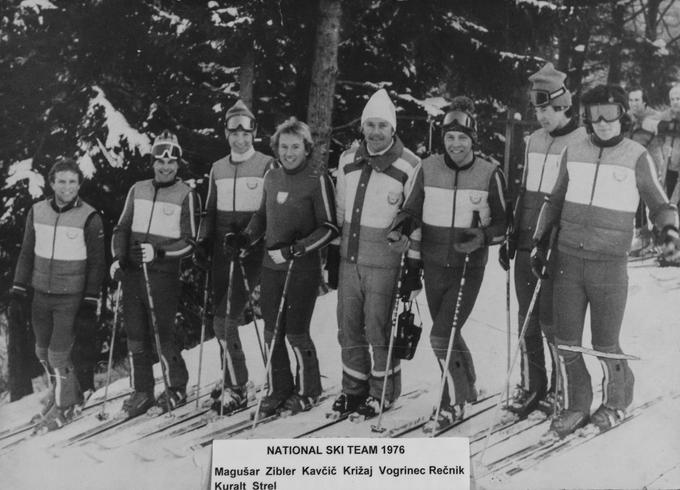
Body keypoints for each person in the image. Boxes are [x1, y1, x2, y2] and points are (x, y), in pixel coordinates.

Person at [531, 84, 678, 437]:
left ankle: (617, 399)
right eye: (595, 115)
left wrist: (670, 231)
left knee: (604, 342)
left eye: (610, 114)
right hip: (568, 258)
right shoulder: (573, 149)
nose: (603, 123)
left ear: (623, 115)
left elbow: (659, 203)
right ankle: (576, 405)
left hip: (609, 263)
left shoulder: (636, 155)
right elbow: (554, 199)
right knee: (566, 340)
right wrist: (539, 241)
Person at [389, 102, 507, 430]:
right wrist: (401, 228)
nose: (456, 144)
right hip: (433, 266)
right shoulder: (427, 168)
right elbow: (410, 211)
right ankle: (467, 387)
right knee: (449, 332)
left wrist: (481, 236)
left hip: (468, 267)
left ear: (474, 139)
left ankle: (452, 403)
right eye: (450, 137)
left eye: (462, 137)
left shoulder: (488, 173)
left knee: (442, 334)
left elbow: (503, 224)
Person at [222, 117, 339, 417]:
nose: (289, 153)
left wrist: (296, 249)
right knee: (272, 332)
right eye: (284, 146)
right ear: (276, 147)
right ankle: (278, 388)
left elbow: (329, 228)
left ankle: (309, 389)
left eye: (295, 147)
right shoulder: (272, 177)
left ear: (306, 148)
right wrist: (246, 237)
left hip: (301, 268)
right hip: (271, 266)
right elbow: (263, 216)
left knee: (296, 333)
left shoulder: (317, 178)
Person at [498, 63, 586, 418]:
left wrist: (555, 238)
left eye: (548, 109)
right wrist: (512, 233)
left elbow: (574, 199)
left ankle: (560, 386)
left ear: (564, 106)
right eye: (538, 109)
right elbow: (523, 192)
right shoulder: (533, 139)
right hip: (524, 242)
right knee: (527, 317)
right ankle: (533, 384)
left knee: (551, 319)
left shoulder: (581, 141)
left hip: (556, 245)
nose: (543, 116)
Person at [327, 88, 421, 419]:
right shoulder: (347, 160)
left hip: (385, 263)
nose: (376, 132)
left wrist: (412, 265)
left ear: (393, 129)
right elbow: (339, 208)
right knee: (348, 327)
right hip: (350, 259)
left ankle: (383, 392)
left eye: (383, 125)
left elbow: (414, 218)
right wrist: (333, 252)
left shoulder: (410, 164)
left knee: (378, 328)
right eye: (371, 125)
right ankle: (354, 389)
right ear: (362, 128)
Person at [11, 158, 106, 430]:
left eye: (72, 182)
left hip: (71, 296)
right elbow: (27, 252)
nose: (67, 187)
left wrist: (90, 299)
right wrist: (18, 288)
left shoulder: (89, 216)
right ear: (52, 183)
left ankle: (65, 406)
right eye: (61, 181)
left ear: (79, 184)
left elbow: (97, 263)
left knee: (59, 354)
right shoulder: (37, 211)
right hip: (41, 294)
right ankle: (61, 396)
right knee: (42, 351)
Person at [195, 100, 276, 414]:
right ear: (226, 133)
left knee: (223, 321)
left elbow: (269, 211)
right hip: (221, 251)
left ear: (254, 132)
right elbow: (210, 210)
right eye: (234, 132)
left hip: (249, 251)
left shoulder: (267, 164)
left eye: (246, 132)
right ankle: (229, 376)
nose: (240, 139)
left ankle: (239, 385)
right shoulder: (218, 167)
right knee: (219, 316)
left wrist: (249, 239)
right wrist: (203, 242)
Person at [111, 130, 196, 417]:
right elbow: (121, 227)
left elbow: (190, 242)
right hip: (134, 272)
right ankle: (143, 390)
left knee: (161, 333)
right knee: (135, 334)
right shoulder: (138, 189)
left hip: (163, 274)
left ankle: (176, 386)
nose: (165, 167)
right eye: (160, 161)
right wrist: (119, 256)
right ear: (153, 162)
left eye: (171, 162)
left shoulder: (186, 194)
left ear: (178, 164)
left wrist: (159, 252)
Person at [628, 88, 663, 254]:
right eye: (631, 100)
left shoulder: (653, 117)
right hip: (637, 164)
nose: (633, 104)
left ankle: (659, 239)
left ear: (644, 102)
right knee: (637, 200)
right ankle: (643, 236)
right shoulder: (630, 117)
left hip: (654, 163)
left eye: (636, 100)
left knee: (654, 201)